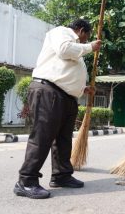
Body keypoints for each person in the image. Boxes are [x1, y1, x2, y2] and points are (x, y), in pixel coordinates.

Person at [13, 19, 101, 199]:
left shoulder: (77, 47)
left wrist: (83, 89)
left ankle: (61, 175)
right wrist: (90, 47)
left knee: (63, 140)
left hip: (66, 96)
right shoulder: (62, 33)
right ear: (81, 30)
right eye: (86, 38)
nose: (85, 42)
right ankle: (26, 181)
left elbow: (64, 74)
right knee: (42, 136)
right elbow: (64, 50)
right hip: (48, 91)